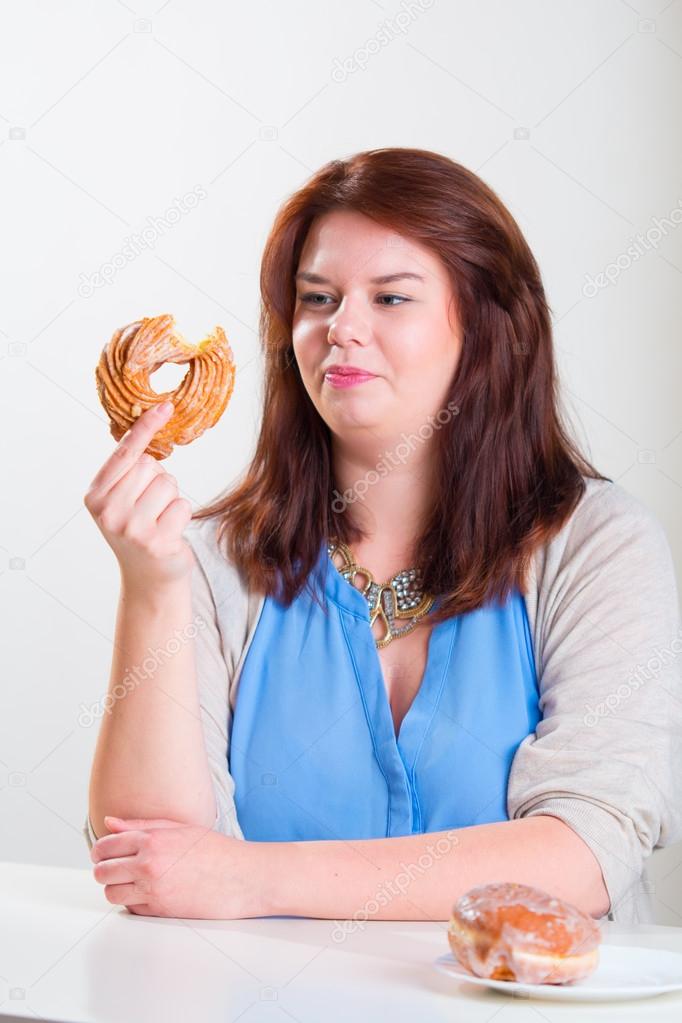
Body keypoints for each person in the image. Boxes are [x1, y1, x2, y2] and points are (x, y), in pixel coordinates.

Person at [83, 147, 682, 925]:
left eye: (391, 298)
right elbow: (152, 862)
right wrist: (151, 587)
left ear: (488, 325)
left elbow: (584, 854)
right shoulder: (208, 560)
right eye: (318, 298)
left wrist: (251, 879)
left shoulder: (600, 545)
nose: (341, 329)